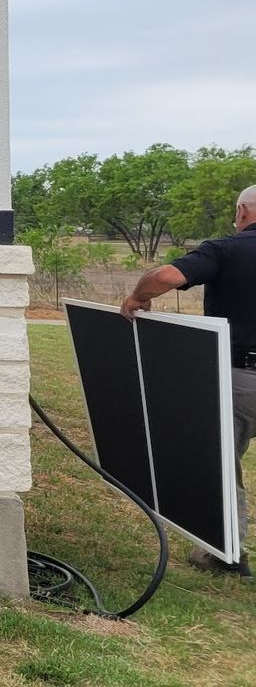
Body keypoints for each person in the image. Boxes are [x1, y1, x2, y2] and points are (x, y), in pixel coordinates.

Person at [121, 184, 256, 576]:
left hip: (240, 379)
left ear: (243, 211)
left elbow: (165, 275)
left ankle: (228, 553)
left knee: (222, 462)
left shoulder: (228, 250)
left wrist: (137, 297)